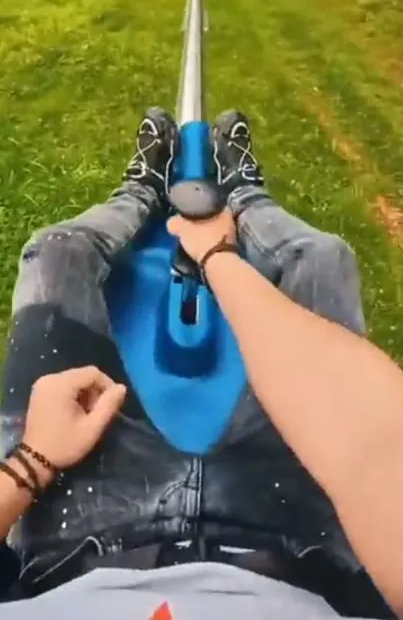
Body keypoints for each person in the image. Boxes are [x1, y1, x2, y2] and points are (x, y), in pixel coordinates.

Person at [0, 108, 396, 619]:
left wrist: (31, 462)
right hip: (295, 531)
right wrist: (217, 255)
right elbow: (386, 459)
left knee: (58, 250)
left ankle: (140, 191)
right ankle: (245, 195)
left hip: (73, 531)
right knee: (321, 259)